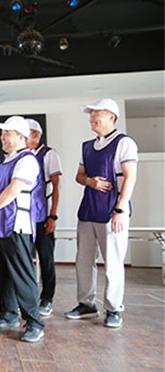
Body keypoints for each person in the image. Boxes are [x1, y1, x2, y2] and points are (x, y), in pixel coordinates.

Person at [65, 99, 138, 328]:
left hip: (112, 211)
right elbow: (79, 176)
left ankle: (114, 308)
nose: (91, 119)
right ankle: (86, 304)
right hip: (88, 209)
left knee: (113, 263)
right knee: (83, 261)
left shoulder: (124, 143)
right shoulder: (87, 146)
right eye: (91, 115)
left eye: (96, 114)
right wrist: (90, 181)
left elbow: (130, 177)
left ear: (111, 116)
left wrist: (120, 209)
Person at [0, 116, 44, 343]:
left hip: (16, 226)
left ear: (21, 137)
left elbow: (14, 189)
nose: (2, 138)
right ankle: (8, 314)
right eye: (2, 133)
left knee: (22, 275)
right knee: (2, 274)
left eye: (7, 133)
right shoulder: (0, 163)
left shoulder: (27, 160)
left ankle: (34, 323)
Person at [26, 119, 62, 316]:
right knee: (24, 259)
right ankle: (28, 298)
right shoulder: (22, 156)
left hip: (43, 217)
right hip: (24, 218)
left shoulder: (49, 154)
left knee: (46, 259)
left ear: (35, 134)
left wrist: (53, 216)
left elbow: (56, 187)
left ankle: (47, 298)